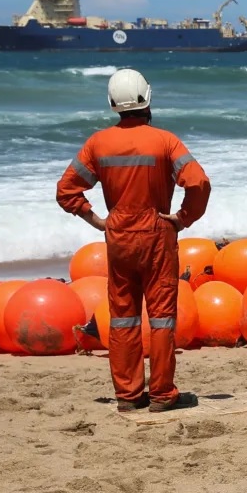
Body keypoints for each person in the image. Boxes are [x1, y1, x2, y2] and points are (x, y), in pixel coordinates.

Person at [57, 69, 209, 413]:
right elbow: (198, 182)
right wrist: (183, 218)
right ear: (148, 98)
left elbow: (66, 189)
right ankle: (161, 394)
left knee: (123, 318)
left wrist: (95, 219)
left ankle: (127, 396)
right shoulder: (166, 141)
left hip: (119, 236)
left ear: (112, 104)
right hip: (157, 234)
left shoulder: (97, 143)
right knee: (161, 319)